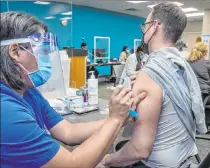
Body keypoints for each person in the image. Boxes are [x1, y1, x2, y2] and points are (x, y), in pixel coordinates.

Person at [0, 12, 146, 168]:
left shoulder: (28, 92)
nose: (47, 59)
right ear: (15, 51)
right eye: (41, 51)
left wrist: (121, 117)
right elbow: (72, 165)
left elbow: (68, 131)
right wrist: (115, 120)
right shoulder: (5, 110)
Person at [98, 2, 206, 168]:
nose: (144, 30)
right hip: (185, 158)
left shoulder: (150, 73)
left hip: (157, 164)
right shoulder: (180, 66)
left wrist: (107, 160)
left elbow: (139, 150)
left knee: (107, 153)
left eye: (145, 25)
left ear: (154, 26)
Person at [188, 42, 210, 127]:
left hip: (187, 95)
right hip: (201, 95)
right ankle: (206, 122)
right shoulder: (207, 64)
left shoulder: (186, 62)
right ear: (205, 53)